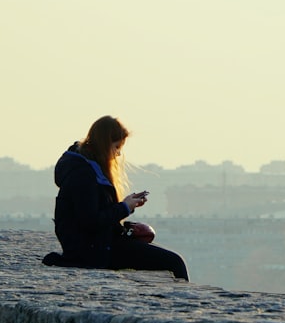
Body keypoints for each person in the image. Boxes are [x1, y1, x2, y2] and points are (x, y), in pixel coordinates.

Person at [42, 115, 189, 281]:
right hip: (94, 250)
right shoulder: (83, 175)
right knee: (175, 262)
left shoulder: (85, 168)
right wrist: (125, 207)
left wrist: (127, 205)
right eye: (116, 147)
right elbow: (91, 220)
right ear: (105, 145)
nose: (118, 154)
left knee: (170, 260)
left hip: (96, 245)